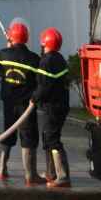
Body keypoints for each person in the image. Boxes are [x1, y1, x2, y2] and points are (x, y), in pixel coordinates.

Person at [0, 20, 43, 185]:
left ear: (11, 38)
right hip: (26, 106)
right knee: (28, 137)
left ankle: (1, 170)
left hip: (8, 103)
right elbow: (39, 80)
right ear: (26, 38)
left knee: (7, 133)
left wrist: (8, 46)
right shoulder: (34, 59)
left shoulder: (2, 55)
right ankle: (30, 175)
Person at [34, 27, 71, 189]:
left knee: (52, 139)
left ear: (45, 43)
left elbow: (44, 86)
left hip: (53, 107)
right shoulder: (58, 59)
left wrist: (34, 97)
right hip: (59, 105)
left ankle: (62, 176)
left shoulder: (46, 61)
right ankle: (51, 173)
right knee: (47, 137)